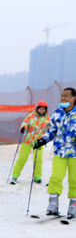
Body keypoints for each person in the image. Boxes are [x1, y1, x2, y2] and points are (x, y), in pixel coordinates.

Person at [34, 87, 76, 218]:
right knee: (56, 177)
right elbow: (52, 130)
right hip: (60, 151)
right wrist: (43, 140)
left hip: (74, 152)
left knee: (74, 179)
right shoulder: (58, 112)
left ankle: (73, 206)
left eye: (66, 96)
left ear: (74, 98)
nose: (63, 98)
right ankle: (53, 204)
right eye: (62, 96)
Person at [11, 101, 50, 184]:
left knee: (38, 159)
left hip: (39, 141)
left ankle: (37, 176)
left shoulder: (47, 118)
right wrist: (23, 128)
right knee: (23, 158)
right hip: (28, 140)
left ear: (46, 110)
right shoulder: (31, 116)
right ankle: (15, 175)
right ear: (37, 109)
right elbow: (25, 123)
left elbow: (51, 127)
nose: (42, 111)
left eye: (43, 109)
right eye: (40, 109)